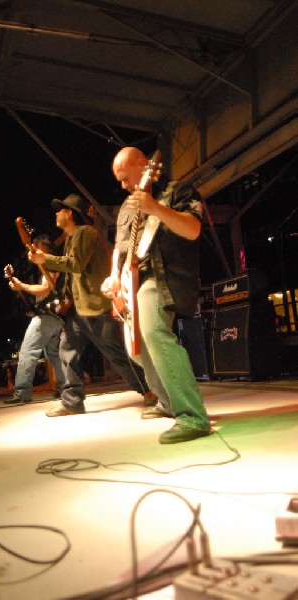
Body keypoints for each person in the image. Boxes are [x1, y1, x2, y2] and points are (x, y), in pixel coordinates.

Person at [101, 146, 211, 444]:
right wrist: (113, 276)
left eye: (125, 177)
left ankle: (192, 416)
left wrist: (155, 208)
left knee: (154, 332)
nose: (123, 185)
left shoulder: (177, 191)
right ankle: (166, 402)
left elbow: (192, 229)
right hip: (130, 282)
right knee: (137, 350)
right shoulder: (125, 207)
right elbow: (119, 249)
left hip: (160, 277)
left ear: (143, 164)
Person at [29, 193, 157, 416]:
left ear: (69, 213)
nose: (56, 214)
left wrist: (46, 260)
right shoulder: (71, 237)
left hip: (97, 309)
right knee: (67, 350)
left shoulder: (86, 233)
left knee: (118, 354)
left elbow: (76, 264)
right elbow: (73, 275)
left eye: (60, 210)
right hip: (80, 310)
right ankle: (72, 401)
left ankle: (150, 389)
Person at [4, 235, 66, 404]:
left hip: (46, 318)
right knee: (54, 354)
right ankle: (65, 388)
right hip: (55, 317)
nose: (32, 253)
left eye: (36, 249)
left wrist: (21, 286)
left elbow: (45, 290)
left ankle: (22, 392)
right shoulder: (50, 265)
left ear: (46, 249)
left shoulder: (50, 265)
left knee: (28, 350)